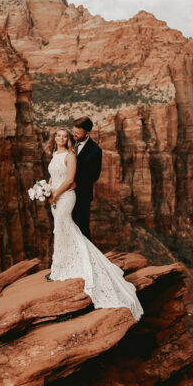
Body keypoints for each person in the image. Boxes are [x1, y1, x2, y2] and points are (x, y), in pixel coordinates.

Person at [45, 128, 142, 320]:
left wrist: (55, 193)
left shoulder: (71, 155)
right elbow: (53, 176)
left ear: (68, 139)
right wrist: (46, 189)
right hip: (54, 197)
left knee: (67, 228)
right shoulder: (55, 153)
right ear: (54, 138)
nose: (62, 138)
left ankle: (64, 267)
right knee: (60, 230)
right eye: (58, 135)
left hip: (65, 197)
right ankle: (60, 266)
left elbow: (70, 179)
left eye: (65, 136)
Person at [70, 116, 102, 240]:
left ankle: (86, 256)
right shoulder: (69, 142)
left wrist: (76, 183)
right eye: (73, 131)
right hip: (65, 193)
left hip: (82, 194)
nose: (74, 135)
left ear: (87, 133)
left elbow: (95, 175)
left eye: (77, 133)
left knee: (81, 225)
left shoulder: (95, 150)